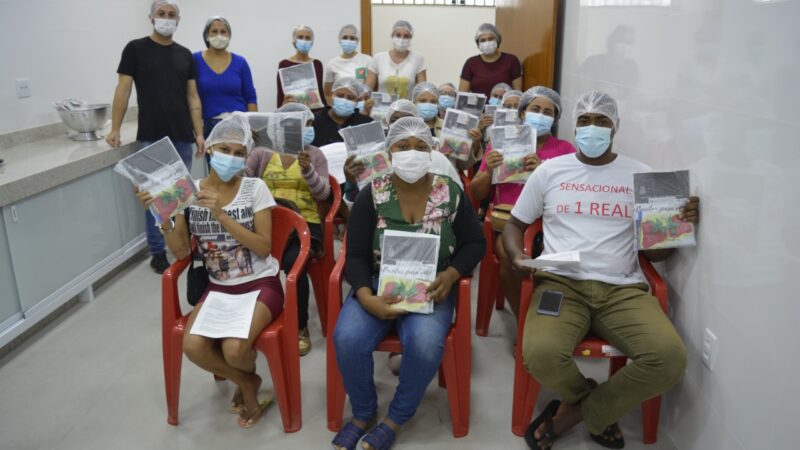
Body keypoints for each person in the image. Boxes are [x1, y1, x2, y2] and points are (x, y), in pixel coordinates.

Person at [502, 91, 698, 449]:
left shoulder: (641, 175)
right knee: (540, 354)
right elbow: (515, 224)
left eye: (602, 121)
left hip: (622, 290)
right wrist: (517, 255)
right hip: (561, 284)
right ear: (574, 126)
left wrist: (677, 224)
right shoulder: (550, 171)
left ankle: (580, 411)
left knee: (669, 358)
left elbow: (656, 257)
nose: (592, 129)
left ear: (615, 128)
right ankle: (590, 403)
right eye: (585, 121)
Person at [331, 117, 485, 450]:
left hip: (432, 285)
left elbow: (475, 243)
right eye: (403, 146)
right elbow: (354, 254)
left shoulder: (450, 192)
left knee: (426, 343)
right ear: (389, 152)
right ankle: (363, 413)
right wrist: (365, 296)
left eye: (420, 146)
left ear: (432, 151)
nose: (411, 153)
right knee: (346, 337)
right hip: (376, 283)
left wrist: (452, 273)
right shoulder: (373, 192)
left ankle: (396, 417)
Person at [135, 113, 282, 429]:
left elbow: (263, 248)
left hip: (260, 283)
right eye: (224, 149)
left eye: (239, 152)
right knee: (193, 346)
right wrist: (162, 213)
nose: (231, 158)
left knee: (234, 349)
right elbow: (181, 252)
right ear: (209, 150)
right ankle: (248, 382)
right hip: (218, 286)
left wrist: (221, 214)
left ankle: (245, 381)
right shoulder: (189, 191)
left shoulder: (255, 188)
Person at [108, 0, 204, 274]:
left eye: (171, 14)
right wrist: (114, 128)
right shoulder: (135, 48)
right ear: (151, 17)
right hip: (151, 137)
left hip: (183, 136)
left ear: (179, 19)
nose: (166, 18)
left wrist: (199, 133)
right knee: (156, 199)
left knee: (180, 197)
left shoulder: (185, 54)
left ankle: (183, 245)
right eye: (161, 14)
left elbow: (192, 96)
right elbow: (123, 90)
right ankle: (157, 251)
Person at [470, 86, 575, 319]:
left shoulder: (565, 151)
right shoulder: (501, 142)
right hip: (508, 223)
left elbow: (573, 195)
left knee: (560, 261)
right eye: (535, 109)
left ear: (556, 118)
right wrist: (489, 171)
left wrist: (543, 171)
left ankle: (552, 317)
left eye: (548, 112)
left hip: (550, 226)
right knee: (509, 254)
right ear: (523, 112)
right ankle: (525, 321)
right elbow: (476, 192)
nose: (541, 115)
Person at [245, 104, 329, 357]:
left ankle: (300, 325)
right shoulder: (261, 154)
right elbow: (242, 183)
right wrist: (242, 153)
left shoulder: (315, 155)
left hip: (305, 225)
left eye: (309, 124)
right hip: (266, 222)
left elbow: (324, 193)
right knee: (246, 260)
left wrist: (307, 170)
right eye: (297, 124)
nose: (306, 129)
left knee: (294, 265)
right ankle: (248, 323)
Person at [342, 100, 464, 207]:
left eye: (408, 120)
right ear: (388, 125)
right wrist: (351, 182)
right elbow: (357, 209)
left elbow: (458, 202)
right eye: (395, 120)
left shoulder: (437, 158)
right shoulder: (375, 160)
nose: (401, 124)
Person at [194, 16, 257, 139]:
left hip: (239, 124)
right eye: (214, 31)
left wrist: (252, 124)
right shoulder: (195, 60)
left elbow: (250, 96)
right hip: (210, 126)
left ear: (229, 36)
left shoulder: (240, 62)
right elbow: (191, 96)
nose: (219, 35)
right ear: (207, 35)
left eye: (223, 32)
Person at [366, 20, 426, 100]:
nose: (401, 39)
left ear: (411, 38)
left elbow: (422, 91)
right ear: (392, 36)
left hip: (406, 109)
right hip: (382, 109)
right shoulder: (379, 58)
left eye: (406, 36)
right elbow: (368, 89)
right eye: (398, 35)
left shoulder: (418, 58)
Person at [459, 23, 522, 97]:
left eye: (490, 39)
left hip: (504, 108)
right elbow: (462, 95)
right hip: (477, 108)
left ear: (497, 40)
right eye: (483, 40)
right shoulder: (471, 63)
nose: (487, 43)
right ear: (478, 44)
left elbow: (518, 94)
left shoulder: (511, 60)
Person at [310, 77, 373, 148]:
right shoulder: (313, 121)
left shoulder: (366, 123)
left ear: (357, 101)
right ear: (331, 95)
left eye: (350, 98)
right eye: (340, 96)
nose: (344, 100)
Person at [277, 25, 328, 111]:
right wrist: (281, 113)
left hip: (315, 113)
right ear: (294, 41)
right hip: (293, 112)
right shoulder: (284, 64)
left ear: (312, 42)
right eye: (300, 37)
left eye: (307, 38)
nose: (304, 41)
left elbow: (320, 93)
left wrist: (325, 113)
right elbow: (281, 95)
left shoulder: (317, 64)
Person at [324, 24, 373, 104]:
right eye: (345, 37)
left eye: (352, 38)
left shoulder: (367, 60)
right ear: (339, 40)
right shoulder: (332, 64)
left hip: (361, 107)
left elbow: (369, 90)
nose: (348, 40)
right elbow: (328, 93)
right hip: (340, 108)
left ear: (357, 41)